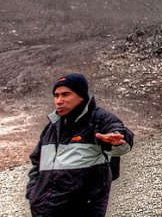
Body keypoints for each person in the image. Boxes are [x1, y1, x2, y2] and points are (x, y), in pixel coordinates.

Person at [26, 73, 134, 217]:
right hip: (43, 211)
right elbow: (37, 162)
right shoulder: (52, 126)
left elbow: (120, 133)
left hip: (82, 209)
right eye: (56, 96)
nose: (59, 101)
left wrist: (117, 140)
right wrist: (33, 194)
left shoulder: (98, 119)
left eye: (65, 94)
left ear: (81, 96)